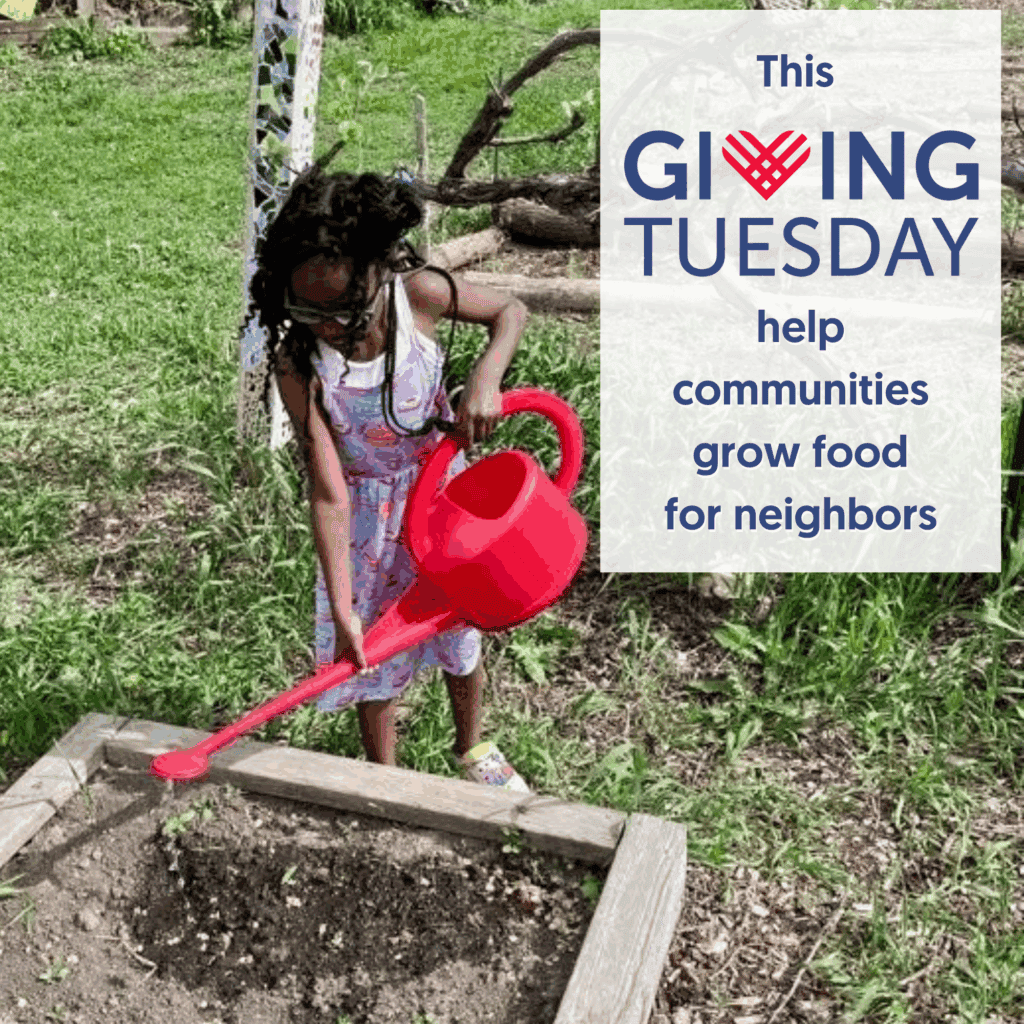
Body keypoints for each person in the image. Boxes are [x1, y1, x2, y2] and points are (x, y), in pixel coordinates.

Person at [249, 155, 530, 792]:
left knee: (460, 638)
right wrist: (344, 603)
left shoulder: (421, 297)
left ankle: (473, 746)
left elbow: (509, 311)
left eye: (348, 309)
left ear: (382, 271)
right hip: (366, 528)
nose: (333, 329)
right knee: (369, 656)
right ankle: (388, 780)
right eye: (310, 313)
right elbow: (327, 488)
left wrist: (485, 381)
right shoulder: (300, 363)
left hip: (441, 501)